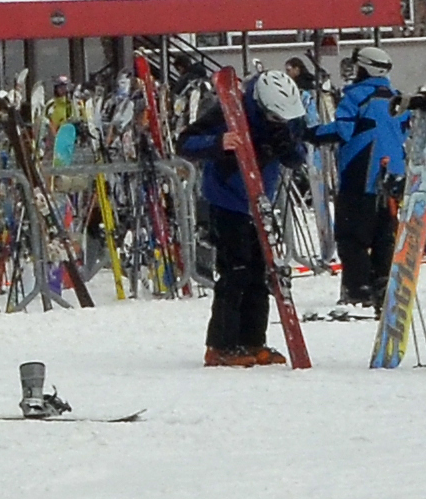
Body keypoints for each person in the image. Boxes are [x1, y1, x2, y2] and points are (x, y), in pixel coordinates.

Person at [175, 63, 311, 366]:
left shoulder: (287, 115)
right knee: (235, 271)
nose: (279, 122)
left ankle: (252, 340)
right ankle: (221, 345)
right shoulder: (228, 109)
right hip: (226, 200)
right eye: (274, 117)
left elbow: (296, 156)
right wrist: (218, 143)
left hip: (261, 200)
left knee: (259, 274)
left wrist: (286, 146)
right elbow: (185, 142)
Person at [321, 59, 411, 315]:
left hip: (360, 171)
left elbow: (343, 130)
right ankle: (383, 283)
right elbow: (403, 132)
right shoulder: (397, 98)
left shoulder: (357, 97)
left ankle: (358, 287)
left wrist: (310, 133)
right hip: (392, 171)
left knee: (351, 235)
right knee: (384, 232)